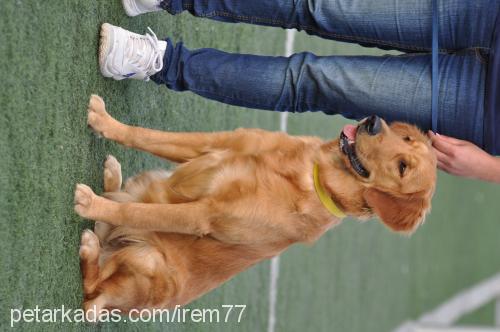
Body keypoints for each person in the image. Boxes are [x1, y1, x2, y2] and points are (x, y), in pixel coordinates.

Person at [99, 0, 500, 183]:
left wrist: (491, 169)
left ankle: (157, 61)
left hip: (482, 110)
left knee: (315, 81)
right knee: (319, 5)